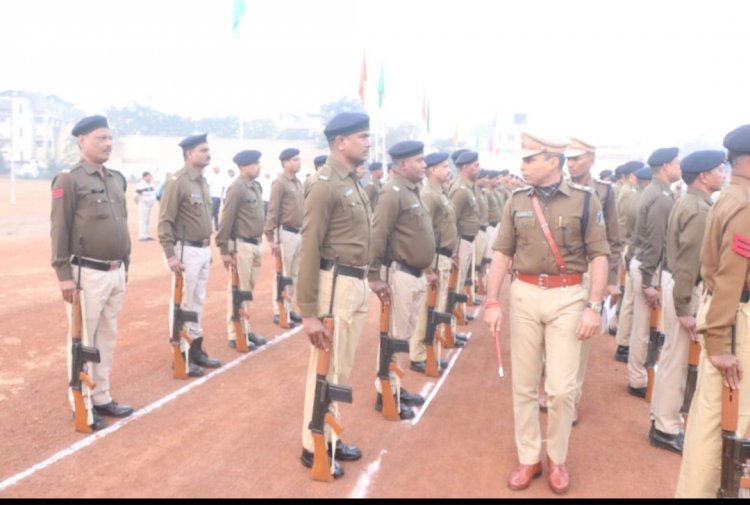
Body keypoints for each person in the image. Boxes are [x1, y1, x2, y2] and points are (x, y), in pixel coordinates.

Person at [484, 132, 609, 494]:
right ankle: (529, 458)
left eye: (529, 159)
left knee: (560, 389)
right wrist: (492, 301)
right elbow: (502, 253)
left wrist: (594, 306)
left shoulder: (585, 201)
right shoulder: (516, 200)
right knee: (523, 384)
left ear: (552, 161)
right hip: (523, 294)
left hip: (569, 295)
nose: (522, 165)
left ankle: (557, 457)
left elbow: (600, 255)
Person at [675, 124, 750, 497]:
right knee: (722, 424)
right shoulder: (745, 204)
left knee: (712, 419)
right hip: (734, 317)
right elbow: (732, 276)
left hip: (725, 312)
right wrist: (719, 344)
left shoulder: (730, 197)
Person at [299, 112, 372, 479]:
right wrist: (308, 313)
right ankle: (314, 444)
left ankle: (329, 429)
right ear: (341, 142)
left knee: (340, 365)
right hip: (335, 284)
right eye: (362, 136)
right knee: (325, 366)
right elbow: (309, 248)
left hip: (354, 283)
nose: (369, 142)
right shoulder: (325, 183)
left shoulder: (353, 181)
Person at [50, 115, 134, 431]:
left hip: (114, 271)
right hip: (86, 274)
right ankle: (81, 402)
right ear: (82, 141)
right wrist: (63, 274)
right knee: (83, 341)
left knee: (107, 338)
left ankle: (101, 396)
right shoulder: (69, 180)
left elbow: (122, 223)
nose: (108, 143)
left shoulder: (116, 179)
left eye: (110, 138)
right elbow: (59, 229)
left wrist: (126, 265)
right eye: (101, 138)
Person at [648, 150, 726, 455]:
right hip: (685, 288)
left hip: (677, 284)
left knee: (671, 359)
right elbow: (688, 263)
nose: (723, 174)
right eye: (719, 170)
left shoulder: (690, 202)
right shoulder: (700, 210)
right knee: (676, 362)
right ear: (704, 176)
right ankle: (666, 428)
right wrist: (684, 308)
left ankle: (661, 421)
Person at [368, 140, 434, 419]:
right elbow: (378, 233)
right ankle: (386, 393)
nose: (423, 165)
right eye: (419, 161)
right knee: (394, 336)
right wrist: (374, 275)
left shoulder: (411, 190)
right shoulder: (392, 192)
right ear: (403, 164)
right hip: (400, 273)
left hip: (416, 274)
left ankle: (395, 385)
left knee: (403, 335)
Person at [564, 138, 623, 422]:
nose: (571, 163)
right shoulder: (556, 187)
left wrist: (611, 279)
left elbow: (613, 238)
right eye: (568, 159)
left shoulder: (605, 192)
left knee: (580, 337)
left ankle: (571, 397)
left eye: (577, 158)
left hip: (591, 269)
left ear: (591, 158)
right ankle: (552, 386)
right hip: (560, 270)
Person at [158, 133, 222, 378]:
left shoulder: (202, 181)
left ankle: (195, 348)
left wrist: (208, 251)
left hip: (202, 249)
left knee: (197, 301)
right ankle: (181, 354)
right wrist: (170, 254)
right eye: (203, 150)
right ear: (189, 154)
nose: (208, 154)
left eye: (208, 150)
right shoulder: (178, 181)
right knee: (183, 304)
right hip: (184, 250)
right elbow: (165, 220)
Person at [627, 147, 682, 398]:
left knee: (643, 327)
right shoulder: (660, 197)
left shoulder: (653, 191)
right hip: (651, 267)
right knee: (645, 329)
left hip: (643, 263)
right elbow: (655, 241)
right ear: (666, 166)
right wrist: (649, 281)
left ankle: (637, 376)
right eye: (676, 163)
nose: (679, 167)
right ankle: (639, 379)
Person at [410, 151, 458, 374]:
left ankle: (428, 352)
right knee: (427, 310)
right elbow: (424, 231)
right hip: (436, 257)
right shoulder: (429, 194)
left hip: (445, 256)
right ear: (432, 170)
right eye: (443, 167)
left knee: (437, 308)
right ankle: (418, 354)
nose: (448, 170)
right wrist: (428, 266)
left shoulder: (442, 192)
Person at [215, 150, 267, 351]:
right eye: (255, 163)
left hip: (255, 243)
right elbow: (226, 220)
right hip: (241, 245)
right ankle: (235, 333)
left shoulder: (254, 186)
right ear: (243, 166)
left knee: (248, 289)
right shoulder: (236, 188)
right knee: (238, 290)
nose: (259, 166)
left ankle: (245, 327)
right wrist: (224, 249)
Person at [265, 147, 304, 326]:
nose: (298, 162)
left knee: (294, 273)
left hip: (298, 232)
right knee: (283, 273)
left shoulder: (297, 182)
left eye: (298, 159)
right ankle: (278, 308)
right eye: (295, 159)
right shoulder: (279, 183)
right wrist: (271, 237)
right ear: (286, 163)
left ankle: (289, 306)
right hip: (285, 232)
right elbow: (273, 209)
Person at [612, 161, 644, 357]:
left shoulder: (627, 191)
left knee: (626, 295)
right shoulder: (629, 193)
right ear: (633, 175)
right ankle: (623, 341)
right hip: (626, 244)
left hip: (624, 243)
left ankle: (619, 332)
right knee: (628, 297)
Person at [448, 150, 481, 329]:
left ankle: (452, 327)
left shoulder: (468, 187)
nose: (478, 168)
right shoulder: (460, 189)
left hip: (467, 241)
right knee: (455, 285)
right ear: (465, 167)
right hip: (460, 241)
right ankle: (449, 329)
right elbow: (452, 219)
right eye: (475, 165)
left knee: (459, 285)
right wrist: (454, 249)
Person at [134, 171, 157, 241]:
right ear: (144, 177)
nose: (150, 178)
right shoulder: (141, 185)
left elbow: (153, 194)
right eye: (148, 176)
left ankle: (147, 235)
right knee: (143, 220)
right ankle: (142, 236)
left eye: (150, 176)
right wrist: (140, 202)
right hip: (143, 205)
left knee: (148, 220)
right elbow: (135, 196)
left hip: (150, 205)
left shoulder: (151, 185)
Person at [207, 166, 224, 231]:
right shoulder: (210, 176)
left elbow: (223, 187)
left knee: (216, 212)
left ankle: (216, 226)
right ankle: (209, 226)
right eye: (215, 168)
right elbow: (207, 185)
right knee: (212, 211)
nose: (217, 169)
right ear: (213, 169)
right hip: (212, 196)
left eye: (218, 168)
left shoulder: (221, 177)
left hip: (218, 196)